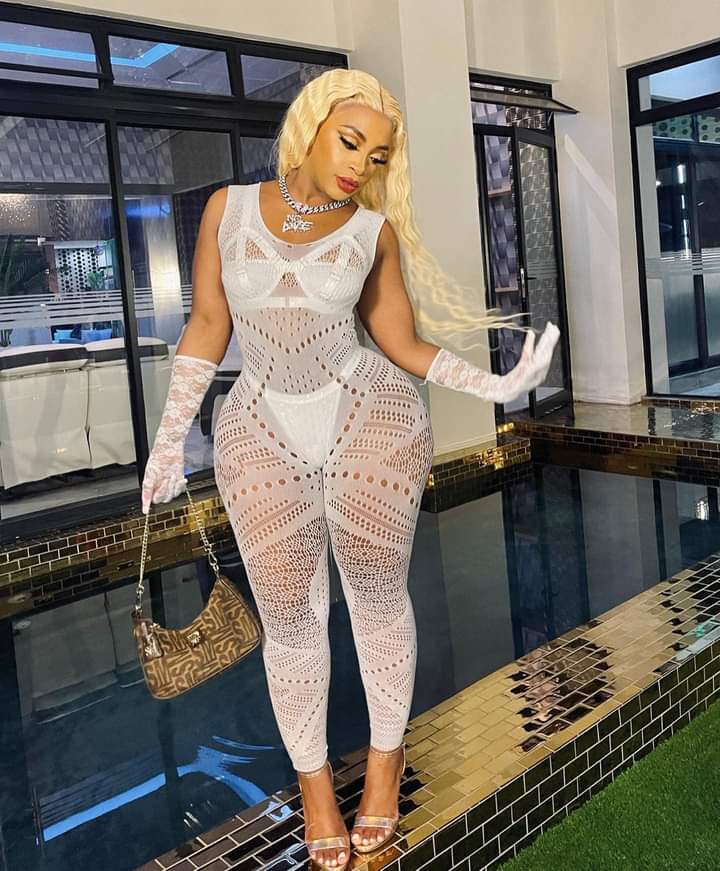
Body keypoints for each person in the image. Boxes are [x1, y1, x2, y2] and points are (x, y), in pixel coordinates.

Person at [141, 68, 560, 871]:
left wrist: (496, 385)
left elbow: (400, 344)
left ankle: (383, 768)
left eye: (377, 155)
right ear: (313, 125)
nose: (361, 164)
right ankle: (316, 791)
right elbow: (207, 324)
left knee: (376, 597)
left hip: (371, 419)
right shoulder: (227, 209)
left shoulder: (372, 232)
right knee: (290, 620)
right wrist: (169, 439)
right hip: (258, 431)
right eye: (350, 141)